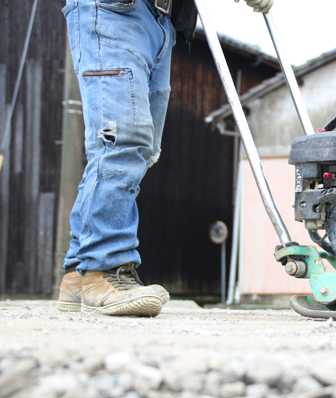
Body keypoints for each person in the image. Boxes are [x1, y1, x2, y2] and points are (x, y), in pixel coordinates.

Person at [57, 0, 273, 317]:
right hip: (115, 11)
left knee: (139, 149)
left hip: (162, 22)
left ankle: (80, 273)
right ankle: (105, 268)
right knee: (120, 141)